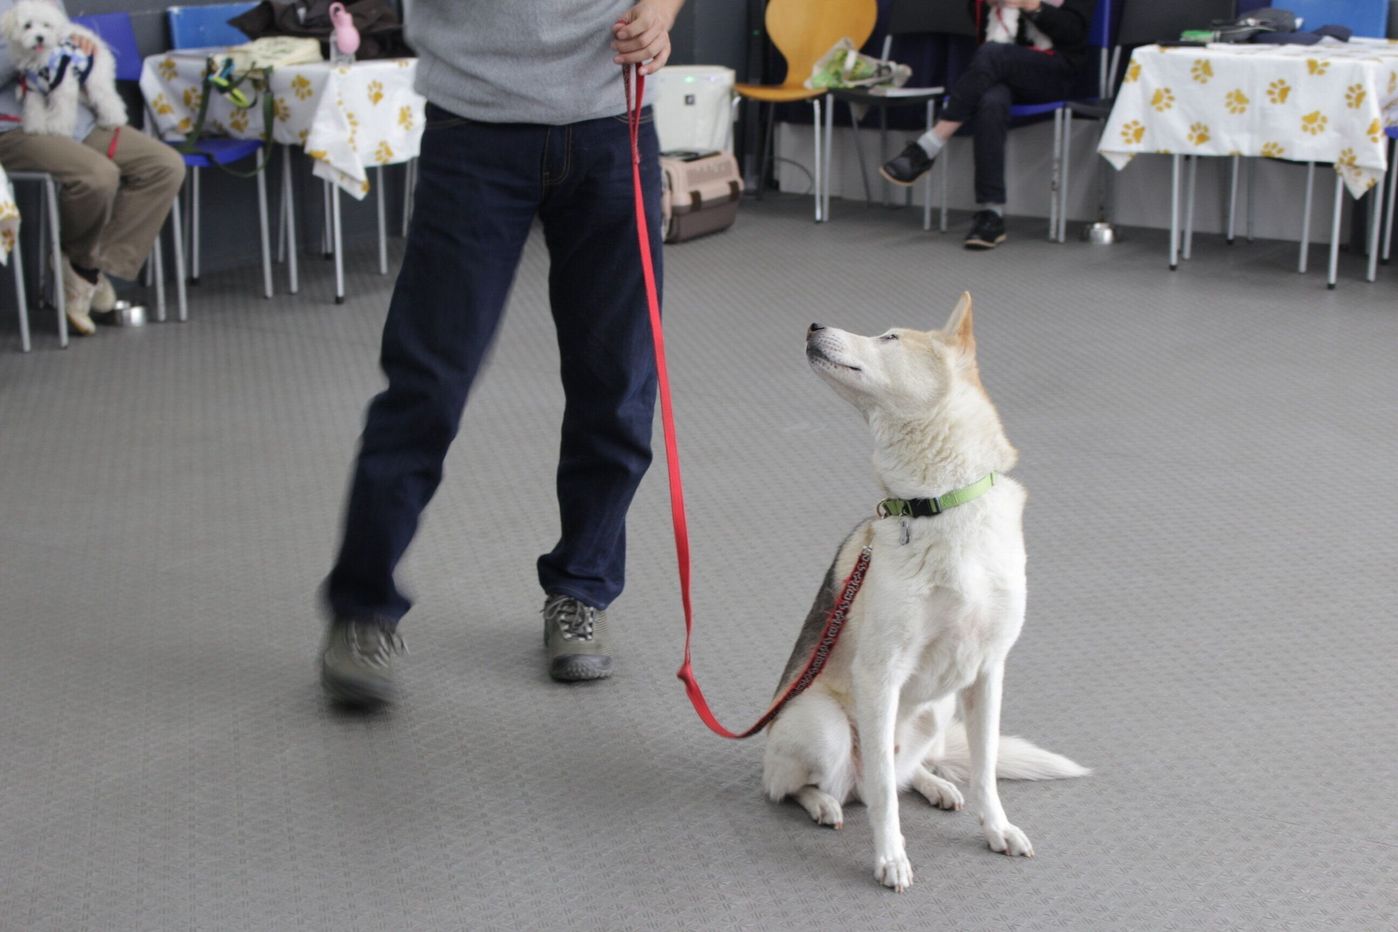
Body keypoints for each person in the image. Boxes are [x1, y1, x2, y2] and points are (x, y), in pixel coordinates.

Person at [320, 0, 684, 705]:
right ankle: (361, 609)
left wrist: (659, 12)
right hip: (476, 128)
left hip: (614, 121)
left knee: (617, 383)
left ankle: (582, 590)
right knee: (426, 387)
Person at [0, 0, 185, 334]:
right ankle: (83, 271)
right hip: (15, 127)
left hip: (74, 117)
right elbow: (37, 49)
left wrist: (82, 47)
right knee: (97, 176)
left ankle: (86, 269)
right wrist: (26, 53)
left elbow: (64, 39)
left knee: (164, 165)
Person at [880, 0, 1092, 250]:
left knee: (992, 54)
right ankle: (991, 214)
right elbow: (979, 21)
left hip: (1055, 70)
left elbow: (1074, 35)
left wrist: (1031, 5)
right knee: (991, 99)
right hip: (999, 69)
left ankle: (929, 145)